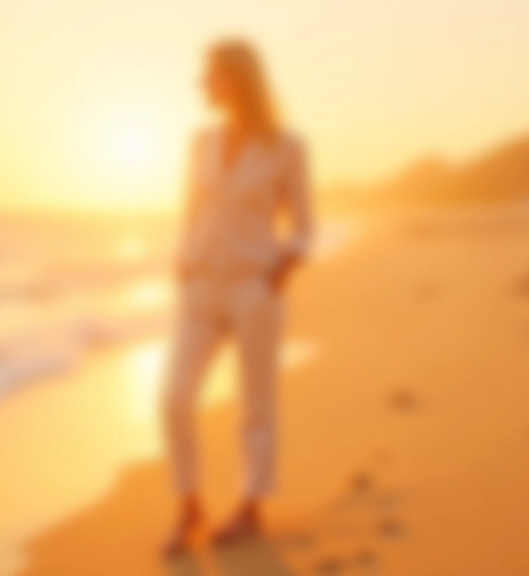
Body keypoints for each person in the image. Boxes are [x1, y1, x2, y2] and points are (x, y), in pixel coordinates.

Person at [161, 38, 314, 557]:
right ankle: (189, 505)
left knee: (256, 405)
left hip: (254, 288)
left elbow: (304, 226)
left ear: (239, 80)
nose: (202, 83)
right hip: (202, 289)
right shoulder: (199, 142)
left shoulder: (286, 147)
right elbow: (190, 212)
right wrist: (184, 264)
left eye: (212, 73)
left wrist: (278, 274)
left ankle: (250, 507)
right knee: (174, 398)